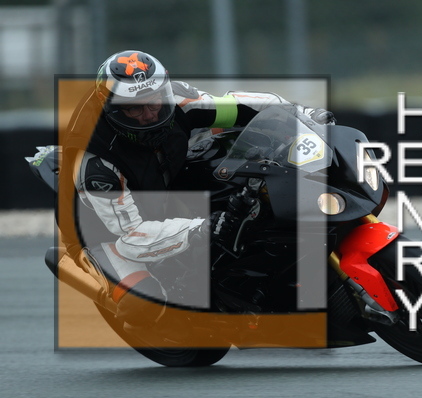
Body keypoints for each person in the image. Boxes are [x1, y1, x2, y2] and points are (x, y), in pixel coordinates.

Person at [61, 50, 334, 328]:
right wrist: (201, 228)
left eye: (154, 102)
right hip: (107, 231)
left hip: (164, 182)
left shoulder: (176, 99)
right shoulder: (95, 162)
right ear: (112, 109)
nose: (150, 115)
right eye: (134, 109)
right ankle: (91, 267)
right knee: (143, 306)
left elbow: (240, 105)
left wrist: (304, 114)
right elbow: (131, 235)